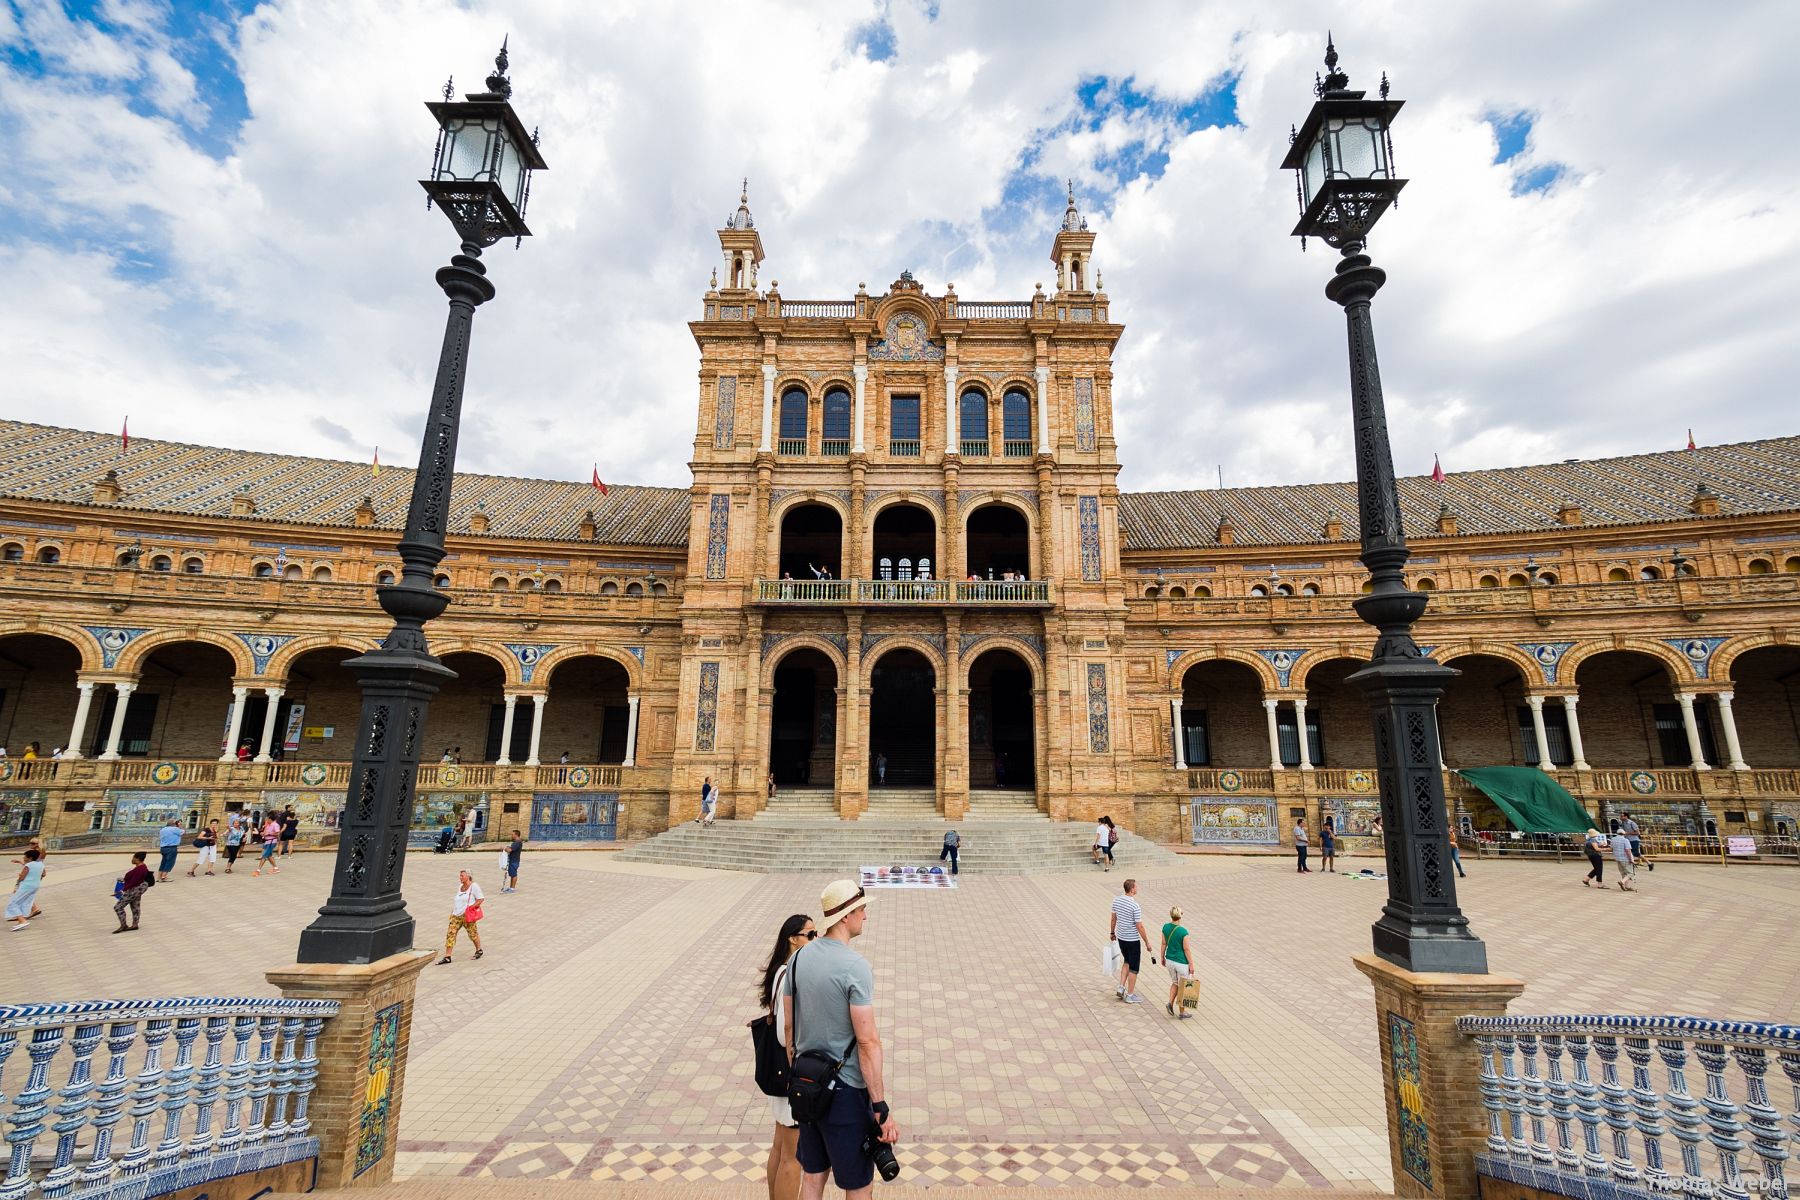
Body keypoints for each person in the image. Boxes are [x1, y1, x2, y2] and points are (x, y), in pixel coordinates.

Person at [782, 879, 898, 1199]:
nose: (866, 916)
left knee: (813, 1176)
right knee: (858, 1184)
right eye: (862, 909)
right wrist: (880, 1107)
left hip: (807, 1084)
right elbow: (867, 1042)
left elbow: (789, 1028)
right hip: (845, 1091)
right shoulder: (854, 967)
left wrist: (799, 1075)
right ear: (845, 916)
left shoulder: (797, 960)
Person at [759, 912, 815, 1200]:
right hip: (789, 1076)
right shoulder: (790, 973)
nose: (815, 940)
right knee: (792, 1158)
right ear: (793, 939)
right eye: (810, 935)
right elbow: (785, 1034)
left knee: (780, 1148)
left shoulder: (780, 970)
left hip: (778, 1076)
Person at [1109, 877, 1154, 1003]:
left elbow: (1113, 919)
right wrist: (1147, 942)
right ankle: (1130, 995)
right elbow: (1139, 926)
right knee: (1134, 967)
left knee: (1126, 961)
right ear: (1132, 889)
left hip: (1121, 938)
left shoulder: (1116, 900)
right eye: (1136, 886)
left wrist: (1112, 933)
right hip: (1133, 940)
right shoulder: (1135, 905)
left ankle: (1121, 987)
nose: (1137, 888)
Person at [440, 868, 484, 964]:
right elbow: (458, 899)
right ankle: (447, 957)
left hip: (467, 915)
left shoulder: (474, 886)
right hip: (456, 915)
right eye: (460, 875)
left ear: (468, 876)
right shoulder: (460, 886)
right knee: (450, 934)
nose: (460, 877)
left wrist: (471, 907)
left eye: (462, 876)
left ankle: (479, 950)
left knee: (472, 934)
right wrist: (453, 911)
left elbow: (480, 899)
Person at [1160, 905, 1194, 1018]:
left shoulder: (1165, 927)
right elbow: (1186, 949)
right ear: (1180, 916)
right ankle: (1182, 1012)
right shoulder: (1183, 931)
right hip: (1181, 963)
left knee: (1175, 983)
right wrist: (1191, 964)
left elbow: (1164, 943)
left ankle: (1170, 1003)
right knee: (1182, 986)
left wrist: (1162, 957)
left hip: (1169, 960)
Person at [113, 851, 152, 933]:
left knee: (118, 907)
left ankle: (123, 925)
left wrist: (121, 890)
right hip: (137, 890)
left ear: (137, 859)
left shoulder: (140, 869)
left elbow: (134, 882)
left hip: (133, 890)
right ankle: (135, 924)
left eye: (133, 857)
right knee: (135, 906)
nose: (132, 859)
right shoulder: (142, 867)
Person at [7, 848, 43, 931]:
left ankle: (22, 921)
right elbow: (43, 873)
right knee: (24, 902)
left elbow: (22, 877)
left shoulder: (28, 866)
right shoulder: (40, 864)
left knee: (12, 903)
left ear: (30, 858)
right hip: (35, 885)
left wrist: (17, 885)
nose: (23, 858)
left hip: (26, 886)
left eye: (25, 857)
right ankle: (20, 921)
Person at [1609, 821, 1638, 892]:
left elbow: (1611, 848)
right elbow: (1628, 851)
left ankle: (1626, 886)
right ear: (1624, 834)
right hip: (1625, 858)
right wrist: (1631, 859)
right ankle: (1622, 882)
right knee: (1631, 873)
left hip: (1618, 858)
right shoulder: (1625, 840)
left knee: (1623, 873)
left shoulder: (1613, 839)